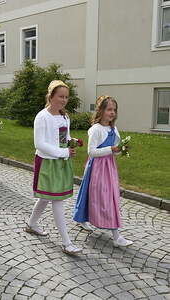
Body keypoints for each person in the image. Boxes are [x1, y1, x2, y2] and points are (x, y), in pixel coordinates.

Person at [25, 80, 82, 255]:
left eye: (66, 97)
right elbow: (39, 143)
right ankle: (66, 243)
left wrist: (71, 144)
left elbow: (64, 137)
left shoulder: (64, 116)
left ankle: (31, 224)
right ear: (51, 96)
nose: (64, 100)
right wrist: (62, 152)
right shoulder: (42, 116)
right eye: (60, 96)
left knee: (46, 197)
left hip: (61, 161)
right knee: (57, 199)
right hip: (47, 162)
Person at [73, 95, 133, 247]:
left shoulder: (114, 129)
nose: (112, 113)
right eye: (109, 109)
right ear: (101, 111)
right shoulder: (96, 129)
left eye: (114, 110)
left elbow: (114, 151)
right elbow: (91, 152)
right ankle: (116, 236)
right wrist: (110, 149)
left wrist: (120, 150)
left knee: (107, 196)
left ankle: (82, 219)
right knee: (101, 197)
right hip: (97, 168)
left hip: (109, 167)